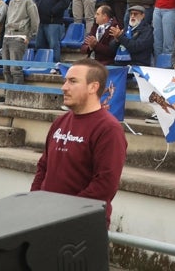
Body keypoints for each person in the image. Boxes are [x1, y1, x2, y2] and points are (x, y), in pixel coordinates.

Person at [31, 58, 127, 226]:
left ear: (93, 87)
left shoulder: (109, 129)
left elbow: (105, 185)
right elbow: (43, 167)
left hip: (80, 226)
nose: (64, 87)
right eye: (65, 81)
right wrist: (34, 201)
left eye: (73, 81)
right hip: (45, 219)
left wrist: (65, 214)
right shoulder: (60, 123)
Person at [1, 0, 40, 98]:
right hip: (8, 35)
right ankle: (8, 94)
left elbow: (35, 20)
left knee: (15, 68)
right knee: (6, 68)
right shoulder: (12, 1)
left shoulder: (28, 1)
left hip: (19, 36)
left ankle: (16, 95)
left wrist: (29, 35)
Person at [35, 0, 72, 65]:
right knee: (39, 44)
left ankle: (55, 65)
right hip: (41, 21)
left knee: (53, 45)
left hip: (53, 21)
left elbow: (64, 2)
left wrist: (52, 12)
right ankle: (40, 65)